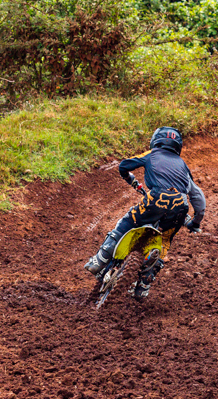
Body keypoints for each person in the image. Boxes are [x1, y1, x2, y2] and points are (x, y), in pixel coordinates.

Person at [84, 126, 206, 299]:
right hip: (180, 206)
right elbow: (198, 198)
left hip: (156, 198)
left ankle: (101, 259)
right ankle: (144, 284)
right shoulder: (183, 167)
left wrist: (131, 180)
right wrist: (196, 222)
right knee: (164, 241)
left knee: (129, 221)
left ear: (156, 140)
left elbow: (124, 166)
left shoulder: (152, 154)